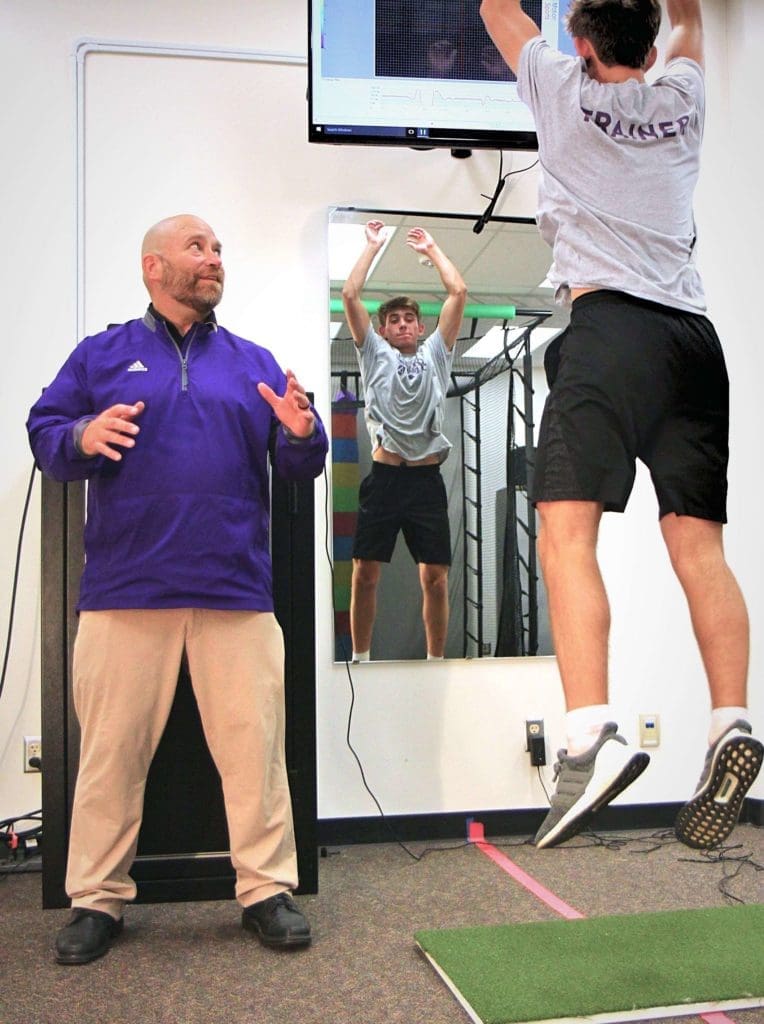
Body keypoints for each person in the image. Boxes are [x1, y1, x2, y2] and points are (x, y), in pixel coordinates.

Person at [479, 0, 762, 849]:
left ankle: (589, 733)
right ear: (642, 43)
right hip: (691, 340)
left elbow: (497, 7)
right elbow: (690, 22)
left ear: (579, 40)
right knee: (700, 547)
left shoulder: (560, 87)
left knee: (565, 535)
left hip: (608, 332)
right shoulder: (681, 95)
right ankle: (731, 721)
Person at [27, 214, 328, 964]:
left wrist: (300, 434)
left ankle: (265, 890)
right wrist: (80, 436)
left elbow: (301, 468)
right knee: (109, 756)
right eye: (197, 247)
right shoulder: (102, 355)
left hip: (235, 592)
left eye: (220, 248)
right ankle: (96, 900)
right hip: (126, 592)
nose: (214, 258)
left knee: (256, 752)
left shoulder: (250, 360)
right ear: (153, 267)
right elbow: (45, 431)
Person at [341, 221, 467, 661]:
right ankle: (360, 657)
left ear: (419, 325)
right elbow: (351, 296)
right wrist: (373, 247)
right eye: (393, 319)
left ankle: (435, 659)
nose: (401, 324)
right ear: (385, 328)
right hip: (386, 476)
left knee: (434, 576)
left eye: (409, 318)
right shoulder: (374, 353)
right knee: (364, 572)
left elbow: (458, 293)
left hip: (426, 480)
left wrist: (432, 250)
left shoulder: (437, 352)